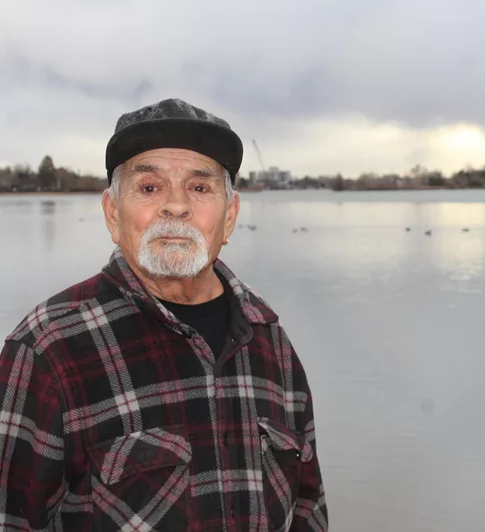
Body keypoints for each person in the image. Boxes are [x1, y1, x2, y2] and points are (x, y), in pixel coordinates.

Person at [0, 98, 328, 531]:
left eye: (199, 187)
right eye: (150, 187)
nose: (176, 206)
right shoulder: (47, 350)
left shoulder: (272, 344)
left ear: (229, 217)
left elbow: (308, 509)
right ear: (112, 214)